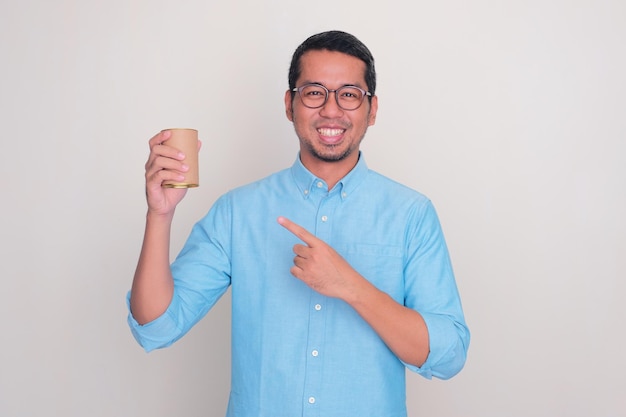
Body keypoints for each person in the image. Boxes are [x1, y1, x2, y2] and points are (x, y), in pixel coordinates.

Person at [127, 30, 470, 417]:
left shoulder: (411, 214)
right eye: (314, 92)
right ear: (290, 104)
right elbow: (154, 326)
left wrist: (351, 286)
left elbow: (448, 354)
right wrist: (160, 214)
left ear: (372, 110)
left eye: (349, 94)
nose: (331, 109)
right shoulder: (238, 212)